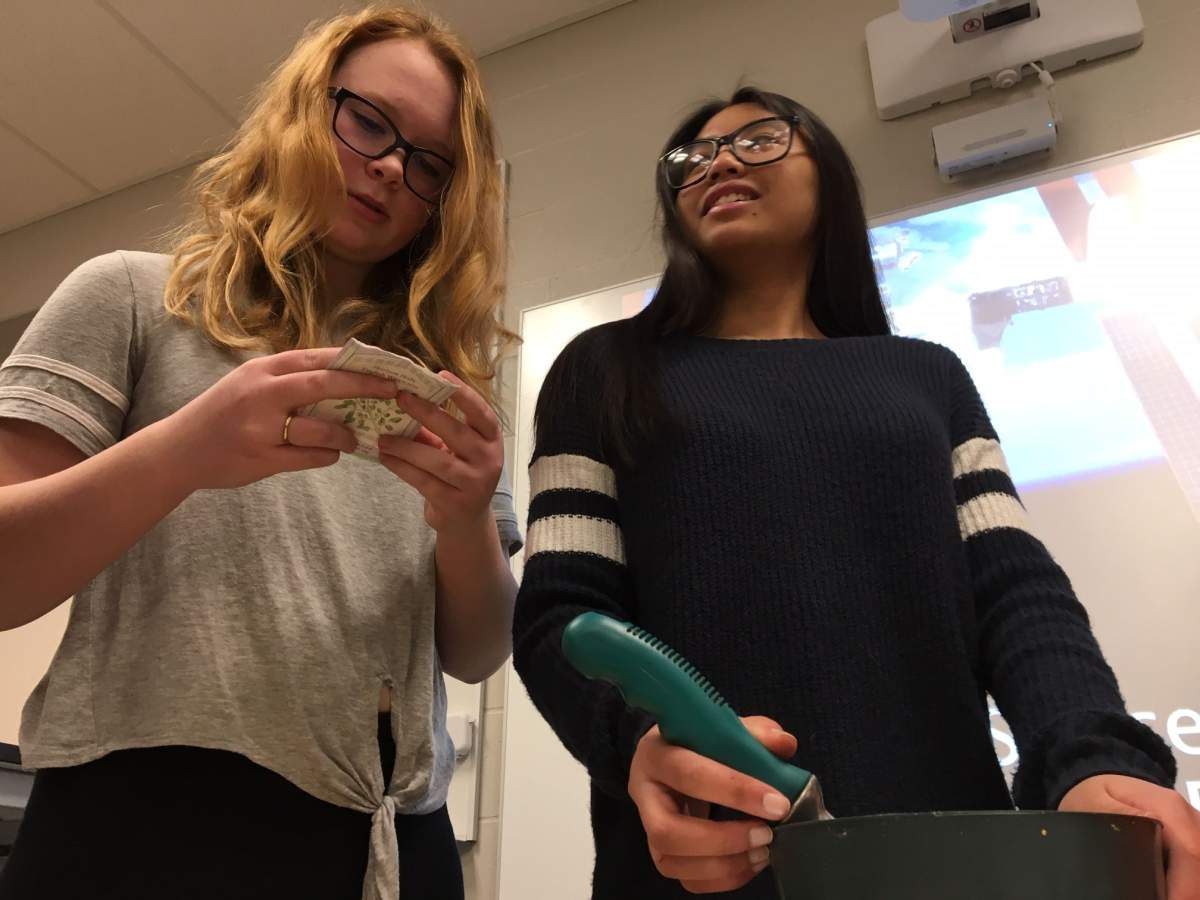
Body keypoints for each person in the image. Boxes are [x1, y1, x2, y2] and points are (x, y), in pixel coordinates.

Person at [512, 87, 1200, 898]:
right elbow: (562, 616)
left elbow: (1015, 591)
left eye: (759, 139)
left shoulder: (929, 376)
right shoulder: (601, 371)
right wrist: (637, 745)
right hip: (700, 863)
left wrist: (1094, 759)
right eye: (692, 159)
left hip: (950, 858)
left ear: (829, 173)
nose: (719, 162)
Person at [0, 7, 520, 900]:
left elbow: (475, 655)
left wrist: (468, 518)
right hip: (141, 821)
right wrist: (187, 450)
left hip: (392, 837)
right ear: (304, 108)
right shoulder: (133, 297)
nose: (392, 166)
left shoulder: (444, 392)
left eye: (430, 163)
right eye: (369, 122)